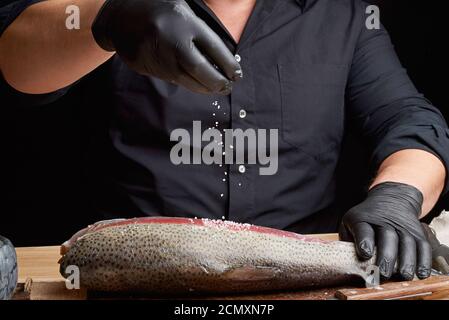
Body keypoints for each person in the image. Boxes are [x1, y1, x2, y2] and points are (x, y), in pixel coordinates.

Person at [1, 0, 449, 281]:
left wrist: (397, 196)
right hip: (130, 277)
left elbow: (409, 119)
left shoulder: (343, 12)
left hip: (306, 282)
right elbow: (12, 62)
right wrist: (109, 18)